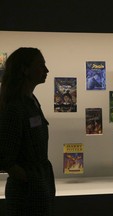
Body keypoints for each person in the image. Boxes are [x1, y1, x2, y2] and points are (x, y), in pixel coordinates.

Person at [0, 47, 56, 216]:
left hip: (37, 188)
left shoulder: (31, 101)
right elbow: (5, 159)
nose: (46, 70)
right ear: (24, 69)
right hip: (26, 195)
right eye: (40, 65)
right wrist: (32, 179)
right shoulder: (14, 107)